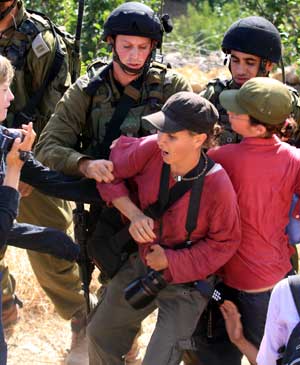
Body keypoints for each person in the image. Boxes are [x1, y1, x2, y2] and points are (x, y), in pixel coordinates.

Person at [35, 2, 192, 362]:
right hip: (106, 210)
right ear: (111, 43)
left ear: (153, 46)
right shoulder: (87, 89)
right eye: (126, 46)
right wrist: (86, 163)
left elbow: (196, 143)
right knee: (109, 288)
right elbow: (48, 145)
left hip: (161, 206)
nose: (135, 56)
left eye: (143, 47)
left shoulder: (171, 85)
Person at [89, 91, 241, 365]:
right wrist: (134, 214)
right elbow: (109, 173)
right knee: (100, 334)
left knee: (158, 360)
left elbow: (224, 244)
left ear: (199, 139)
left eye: (171, 135)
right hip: (143, 265)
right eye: (160, 130)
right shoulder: (151, 149)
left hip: (188, 283)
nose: (160, 139)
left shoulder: (219, 186)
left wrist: (171, 260)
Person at [191, 77, 300, 365]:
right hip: (274, 277)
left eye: (237, 111)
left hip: (230, 279)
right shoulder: (293, 158)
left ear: (260, 127)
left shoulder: (222, 157)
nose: (230, 112)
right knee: (276, 356)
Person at [0, 1, 86, 359]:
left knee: (53, 258)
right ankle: (4, 306)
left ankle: (87, 320)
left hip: (26, 151)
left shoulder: (40, 40)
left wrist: (23, 168)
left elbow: (56, 113)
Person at [200, 16, 300, 145]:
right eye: (235, 60)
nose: (240, 70)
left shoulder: (287, 103)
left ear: (268, 65)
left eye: (250, 62)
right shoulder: (214, 95)